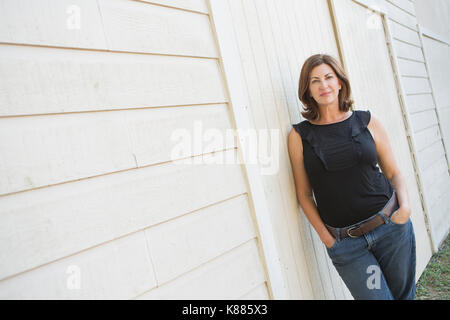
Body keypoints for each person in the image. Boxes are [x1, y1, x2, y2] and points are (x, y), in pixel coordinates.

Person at [288, 53, 416, 300]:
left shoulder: (367, 121)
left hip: (390, 227)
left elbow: (393, 172)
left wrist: (406, 208)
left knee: (404, 297)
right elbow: (304, 194)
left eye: (328, 77)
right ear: (308, 90)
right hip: (348, 246)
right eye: (315, 81)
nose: (323, 85)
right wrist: (328, 239)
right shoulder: (298, 136)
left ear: (340, 82)